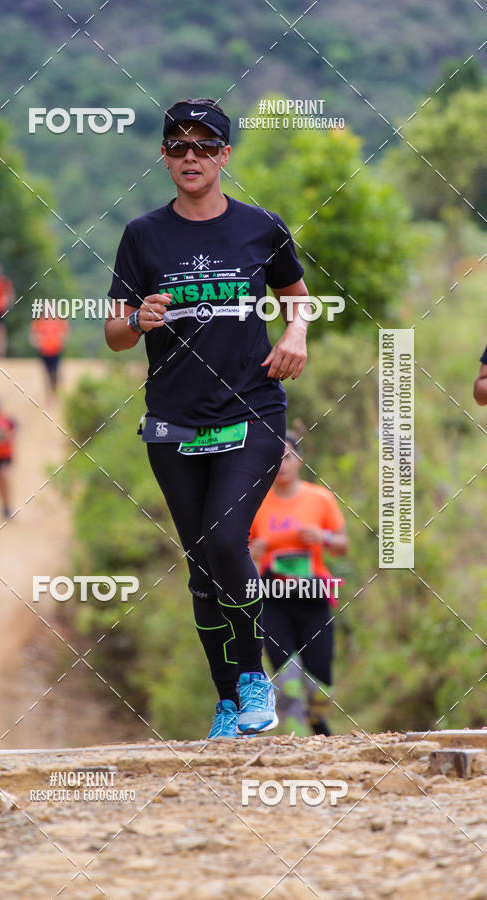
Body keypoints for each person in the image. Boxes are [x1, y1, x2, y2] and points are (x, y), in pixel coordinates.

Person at [105, 98, 311, 739]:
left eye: (203, 146)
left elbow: (299, 301)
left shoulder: (261, 227)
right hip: (172, 421)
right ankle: (228, 700)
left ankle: (254, 680)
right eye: (177, 146)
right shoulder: (143, 235)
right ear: (164, 157)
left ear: (225, 155)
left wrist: (296, 333)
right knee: (201, 562)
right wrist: (136, 321)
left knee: (226, 541)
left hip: (252, 409)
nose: (189, 156)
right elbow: (114, 332)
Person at [250, 432, 348, 736]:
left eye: (287, 456)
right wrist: (252, 552)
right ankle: (299, 747)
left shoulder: (320, 498)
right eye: (275, 457)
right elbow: (238, 548)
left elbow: (342, 544)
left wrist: (324, 538)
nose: (281, 464)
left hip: (313, 593)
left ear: (299, 460)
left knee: (322, 687)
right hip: (272, 596)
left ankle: (316, 718)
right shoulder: (254, 500)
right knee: (288, 681)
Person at [30, 313, 70, 404]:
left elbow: (65, 333)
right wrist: (37, 341)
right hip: (44, 351)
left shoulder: (60, 319)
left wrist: (61, 341)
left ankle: (57, 394)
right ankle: (49, 397)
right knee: (47, 374)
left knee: (55, 373)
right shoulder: (38, 321)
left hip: (56, 350)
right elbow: (33, 336)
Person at [0, 396, 16, 518]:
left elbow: (13, 435)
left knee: (4, 476)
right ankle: (4, 505)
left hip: (6, 455)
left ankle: (8, 504)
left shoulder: (8, 420)